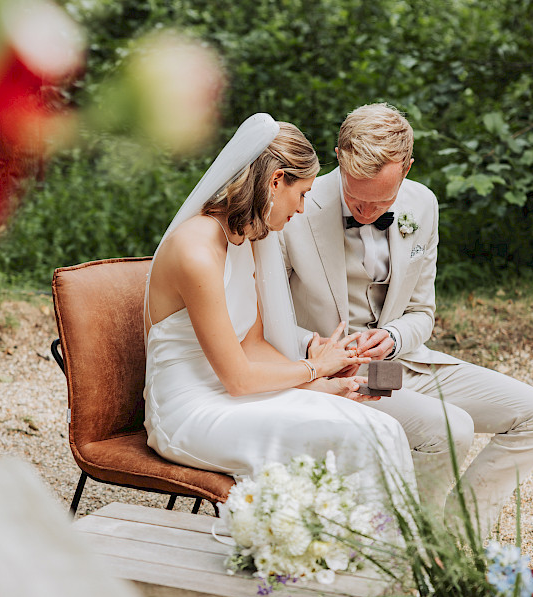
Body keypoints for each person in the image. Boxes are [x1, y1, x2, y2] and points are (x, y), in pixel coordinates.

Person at [279, 103, 533, 532]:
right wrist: (315, 347)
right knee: (452, 429)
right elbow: (268, 317)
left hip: (400, 363)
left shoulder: (423, 205)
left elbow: (422, 313)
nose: (366, 211)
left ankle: (455, 532)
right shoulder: (294, 208)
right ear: (338, 158)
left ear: (408, 168)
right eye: (356, 197)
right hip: (333, 374)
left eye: (382, 201)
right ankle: (419, 544)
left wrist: (393, 337)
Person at [144, 114, 414, 497]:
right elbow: (238, 379)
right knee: (353, 439)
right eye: (302, 193)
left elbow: (252, 345)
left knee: (380, 428)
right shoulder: (196, 251)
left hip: (235, 395)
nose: (303, 208)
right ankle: (333, 548)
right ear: (275, 181)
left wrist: (323, 385)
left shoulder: (245, 239)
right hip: (190, 411)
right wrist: (313, 367)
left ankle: (377, 552)